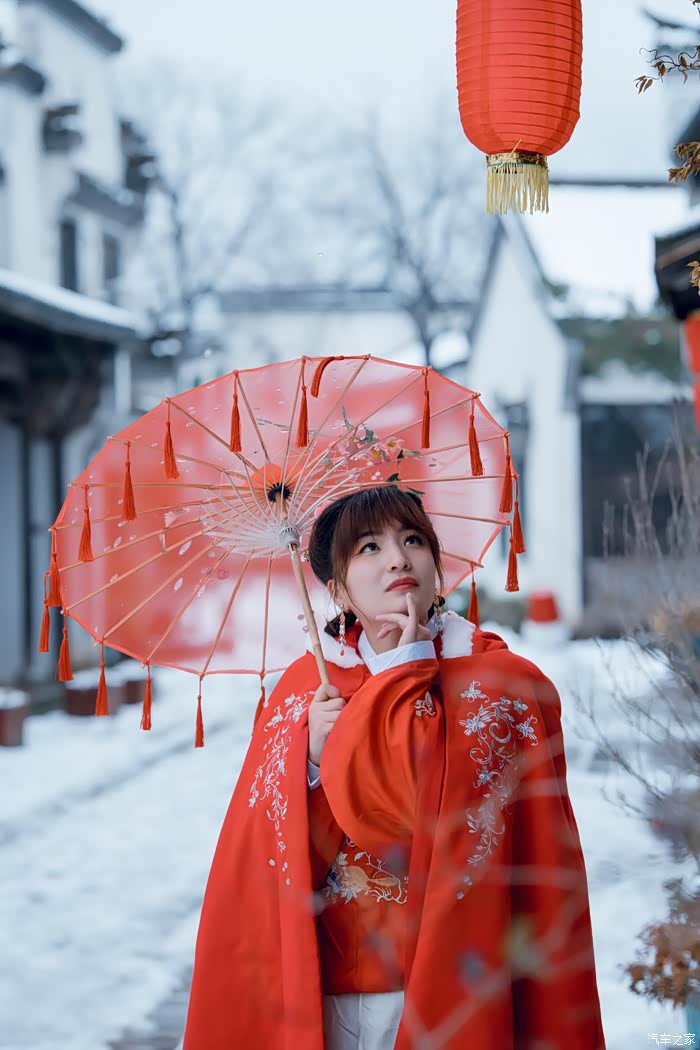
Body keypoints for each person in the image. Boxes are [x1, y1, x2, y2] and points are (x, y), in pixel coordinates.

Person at [182, 486, 606, 1050]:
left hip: (459, 985)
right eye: (369, 548)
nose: (398, 559)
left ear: (436, 563)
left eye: (412, 540)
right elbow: (263, 858)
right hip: (327, 989)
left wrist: (403, 673)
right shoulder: (307, 691)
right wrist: (312, 761)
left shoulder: (501, 685)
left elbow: (410, 818)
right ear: (336, 590)